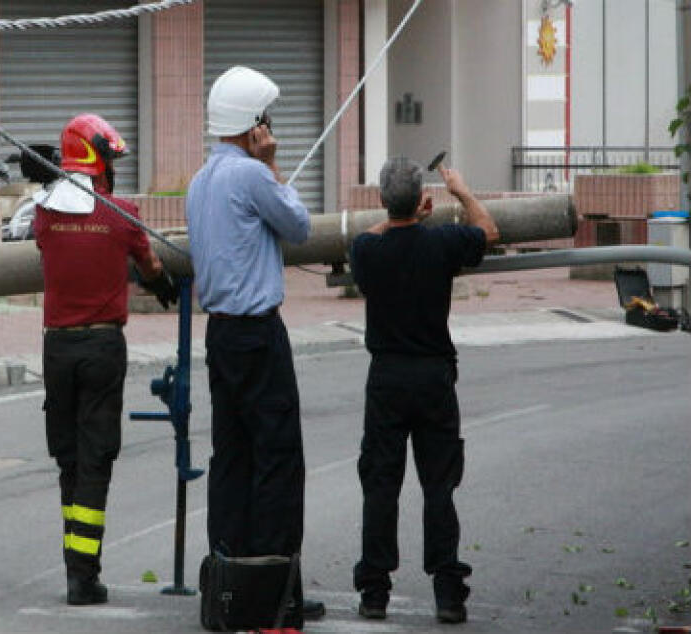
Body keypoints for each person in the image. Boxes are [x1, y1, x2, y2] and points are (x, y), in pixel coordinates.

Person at [186, 65, 325, 624]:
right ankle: (274, 587)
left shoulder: (201, 180)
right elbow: (299, 226)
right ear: (254, 126)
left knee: (232, 456)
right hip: (258, 331)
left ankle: (230, 576)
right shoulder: (250, 174)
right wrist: (271, 164)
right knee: (278, 458)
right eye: (266, 122)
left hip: (220, 332)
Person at [348, 158, 499, 624]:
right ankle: (448, 594)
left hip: (387, 377)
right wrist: (461, 192)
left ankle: (375, 591)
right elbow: (488, 231)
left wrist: (400, 217)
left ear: (381, 200)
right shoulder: (443, 243)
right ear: (422, 199)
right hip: (433, 377)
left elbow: (374, 235)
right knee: (439, 486)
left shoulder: (366, 250)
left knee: (380, 485)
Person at [34, 113, 176, 606]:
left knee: (69, 460)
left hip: (57, 348)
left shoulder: (44, 215)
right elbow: (152, 264)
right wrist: (161, 286)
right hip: (101, 348)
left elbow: (47, 231)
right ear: (98, 161)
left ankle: (76, 568)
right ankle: (83, 576)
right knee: (96, 461)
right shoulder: (122, 214)